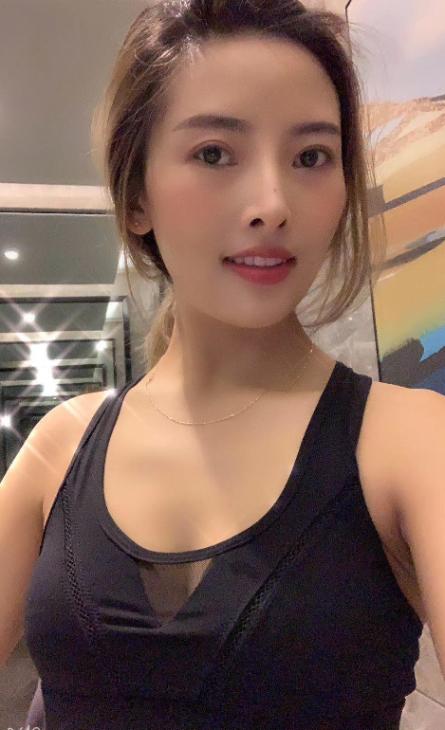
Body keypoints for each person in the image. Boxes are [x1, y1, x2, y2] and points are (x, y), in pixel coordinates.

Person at [2, 1, 425, 728]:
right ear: (136, 196)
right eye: (214, 154)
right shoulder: (61, 447)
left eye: (310, 157)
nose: (272, 204)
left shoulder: (409, 444)